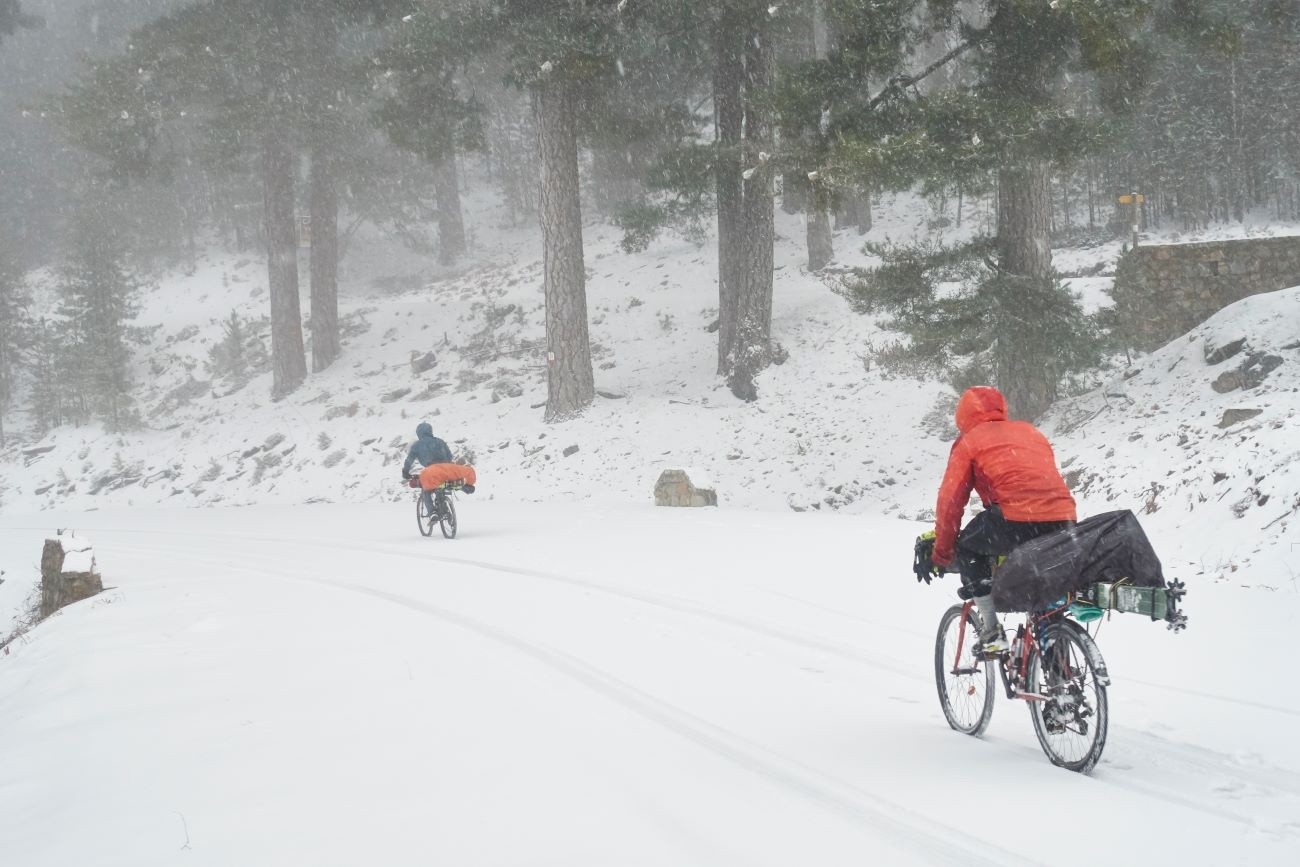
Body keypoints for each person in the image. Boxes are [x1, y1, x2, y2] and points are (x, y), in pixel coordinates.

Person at [928, 386, 1076, 653]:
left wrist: (942, 553)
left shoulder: (969, 441)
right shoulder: (1030, 431)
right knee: (1041, 576)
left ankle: (991, 631)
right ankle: (1055, 652)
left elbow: (950, 502)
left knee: (968, 546)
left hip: (1015, 517)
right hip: (1063, 518)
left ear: (962, 416)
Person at [402, 422, 453, 516]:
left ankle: (432, 513)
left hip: (432, 471)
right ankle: (444, 508)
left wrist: (405, 471)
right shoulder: (440, 442)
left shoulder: (417, 445)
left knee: (426, 489)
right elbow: (450, 456)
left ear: (419, 433)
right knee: (441, 487)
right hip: (446, 470)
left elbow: (409, 460)